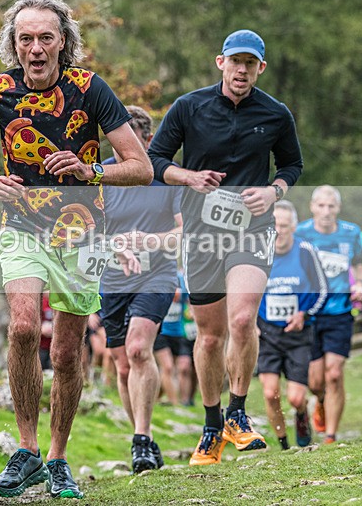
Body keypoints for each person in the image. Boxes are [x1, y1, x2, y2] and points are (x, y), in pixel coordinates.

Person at [0, 0, 153, 499]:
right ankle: (26, 449)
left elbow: (141, 168)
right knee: (24, 327)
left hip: (82, 233)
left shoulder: (90, 89)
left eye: (45, 38)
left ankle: (56, 457)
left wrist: (88, 169)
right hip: (21, 225)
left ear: (63, 42)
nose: (35, 48)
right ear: (14, 44)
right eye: (25, 38)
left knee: (69, 352)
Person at [147, 29, 303, 465]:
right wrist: (189, 177)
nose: (241, 70)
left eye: (250, 64)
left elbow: (292, 164)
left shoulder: (276, 114)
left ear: (260, 68)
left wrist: (273, 191)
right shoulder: (189, 107)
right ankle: (212, 424)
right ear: (221, 63)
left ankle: (237, 412)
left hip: (252, 230)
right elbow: (156, 161)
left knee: (242, 319)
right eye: (235, 61)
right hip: (202, 234)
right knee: (211, 336)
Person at [98, 105, 182, 473]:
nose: (123, 147)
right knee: (121, 365)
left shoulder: (165, 177)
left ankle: (142, 438)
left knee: (137, 349)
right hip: (111, 279)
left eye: (130, 139)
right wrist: (114, 245)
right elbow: (82, 229)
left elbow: (186, 232)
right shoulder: (100, 176)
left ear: (146, 141)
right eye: (117, 140)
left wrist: (151, 241)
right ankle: (141, 439)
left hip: (156, 274)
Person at [296, 185, 362, 444]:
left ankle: (331, 436)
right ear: (312, 207)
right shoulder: (300, 233)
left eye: (331, 206)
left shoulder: (351, 232)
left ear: (338, 208)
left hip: (340, 311)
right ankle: (321, 401)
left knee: (334, 374)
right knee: (315, 382)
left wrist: (360, 284)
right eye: (321, 206)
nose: (326, 211)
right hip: (311, 313)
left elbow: (358, 262)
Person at [257, 200, 327, 450]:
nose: (279, 230)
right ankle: (284, 445)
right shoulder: (259, 253)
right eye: (274, 225)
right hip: (267, 333)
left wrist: (304, 315)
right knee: (270, 393)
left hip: (298, 334)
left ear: (294, 227)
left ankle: (301, 415)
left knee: (296, 398)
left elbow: (322, 290)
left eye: (284, 225)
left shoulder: (305, 251)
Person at [154, 270, 197, 407]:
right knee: (167, 367)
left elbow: (189, 302)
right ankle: (175, 404)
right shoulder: (155, 278)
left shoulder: (183, 280)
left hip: (179, 332)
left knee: (184, 367)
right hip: (161, 331)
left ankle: (184, 402)